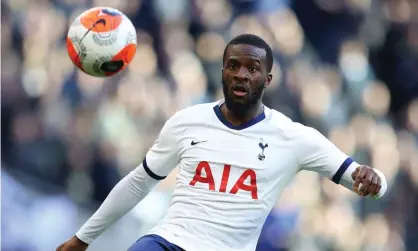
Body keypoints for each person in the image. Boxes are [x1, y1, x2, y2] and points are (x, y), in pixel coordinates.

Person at [56, 34, 387, 251]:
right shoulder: (187, 121)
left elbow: (368, 180)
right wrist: (83, 238)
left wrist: (375, 179)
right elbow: (138, 183)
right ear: (223, 73)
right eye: (234, 66)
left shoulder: (293, 137)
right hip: (167, 242)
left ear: (267, 79)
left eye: (252, 68)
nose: (242, 74)